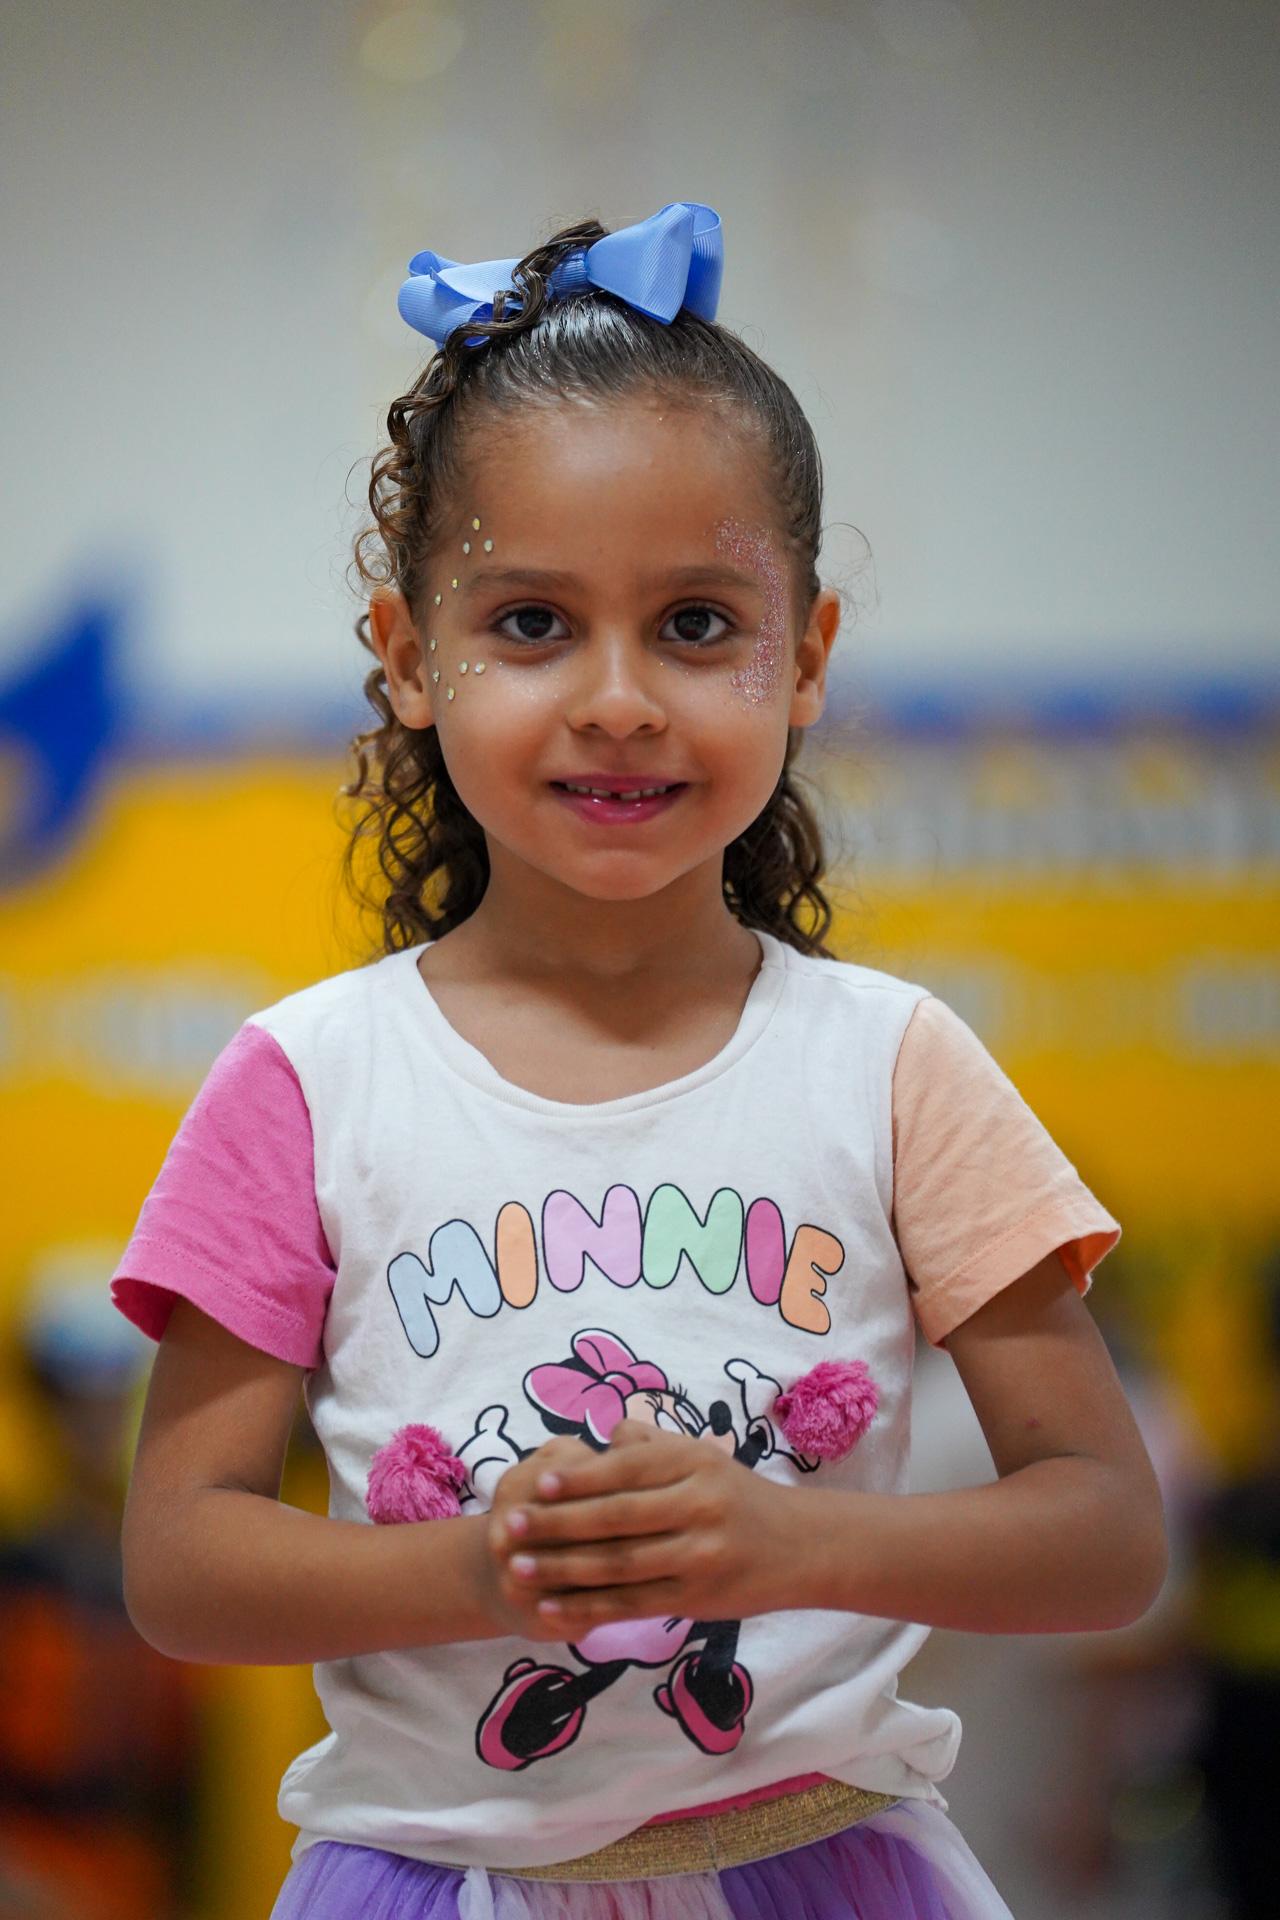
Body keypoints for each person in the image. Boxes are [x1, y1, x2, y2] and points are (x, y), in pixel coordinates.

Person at [111, 201, 1168, 1920]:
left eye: (695, 624)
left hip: (826, 1864)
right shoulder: (306, 1083)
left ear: (804, 657)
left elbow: (1106, 1535)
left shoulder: (896, 1066)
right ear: (409, 659)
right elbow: (179, 1564)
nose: (619, 699)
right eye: (533, 623)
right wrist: (483, 1569)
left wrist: (789, 1542)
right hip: (433, 1876)